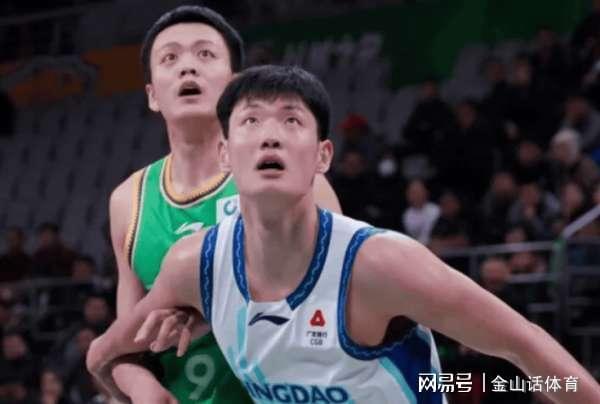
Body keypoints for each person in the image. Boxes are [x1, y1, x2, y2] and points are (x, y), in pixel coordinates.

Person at [88, 65, 600, 403]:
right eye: (251, 121)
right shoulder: (194, 268)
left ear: (323, 156)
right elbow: (104, 357)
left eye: (291, 121)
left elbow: (524, 348)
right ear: (224, 153)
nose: (270, 135)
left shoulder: (380, 266)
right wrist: (145, 390)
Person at [108, 6, 340, 404]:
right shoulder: (128, 200)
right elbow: (124, 343)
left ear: (234, 86)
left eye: (205, 54)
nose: (187, 68)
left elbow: (338, 309)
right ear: (152, 96)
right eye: (169, 58)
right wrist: (139, 385)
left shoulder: (297, 177)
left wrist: (210, 310)